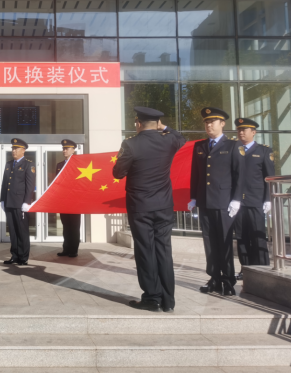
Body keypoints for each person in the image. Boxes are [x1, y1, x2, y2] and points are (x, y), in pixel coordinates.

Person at [113, 107, 185, 312]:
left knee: (145, 251)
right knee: (164, 252)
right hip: (164, 206)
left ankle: (152, 298)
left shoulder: (130, 144)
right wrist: (165, 127)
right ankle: (168, 301)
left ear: (138, 123)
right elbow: (181, 138)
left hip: (141, 207)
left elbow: (118, 173)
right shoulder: (168, 141)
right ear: (157, 124)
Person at [188, 107, 244, 296]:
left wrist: (236, 199)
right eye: (206, 122)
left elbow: (240, 175)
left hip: (224, 203)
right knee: (209, 241)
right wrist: (194, 197)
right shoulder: (200, 146)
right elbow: (195, 174)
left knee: (224, 241)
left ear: (222, 124)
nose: (208, 125)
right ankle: (214, 278)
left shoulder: (233, 146)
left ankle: (228, 280)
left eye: (212, 122)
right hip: (205, 201)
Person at [232, 118, 274, 279]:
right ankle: (246, 269)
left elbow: (269, 177)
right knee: (241, 237)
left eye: (244, 130)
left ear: (253, 132)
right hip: (238, 202)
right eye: (239, 130)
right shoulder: (234, 150)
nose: (241, 132)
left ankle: (262, 269)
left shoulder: (263, 151)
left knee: (257, 237)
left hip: (256, 201)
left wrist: (268, 199)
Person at [0, 138, 36, 266]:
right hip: (9, 202)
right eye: (13, 148)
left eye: (16, 149)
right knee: (13, 231)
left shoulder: (28, 164)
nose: (13, 151)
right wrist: (2, 199)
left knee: (22, 231)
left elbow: (30, 186)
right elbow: (5, 183)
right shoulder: (9, 164)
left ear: (23, 150)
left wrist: (27, 202)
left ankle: (23, 257)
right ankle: (14, 255)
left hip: (20, 203)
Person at [56, 139, 81, 258]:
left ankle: (74, 250)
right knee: (66, 226)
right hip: (63, 200)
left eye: (67, 148)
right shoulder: (59, 165)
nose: (64, 150)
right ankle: (66, 248)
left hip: (75, 200)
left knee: (74, 226)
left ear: (73, 150)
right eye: (63, 148)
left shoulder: (79, 163)